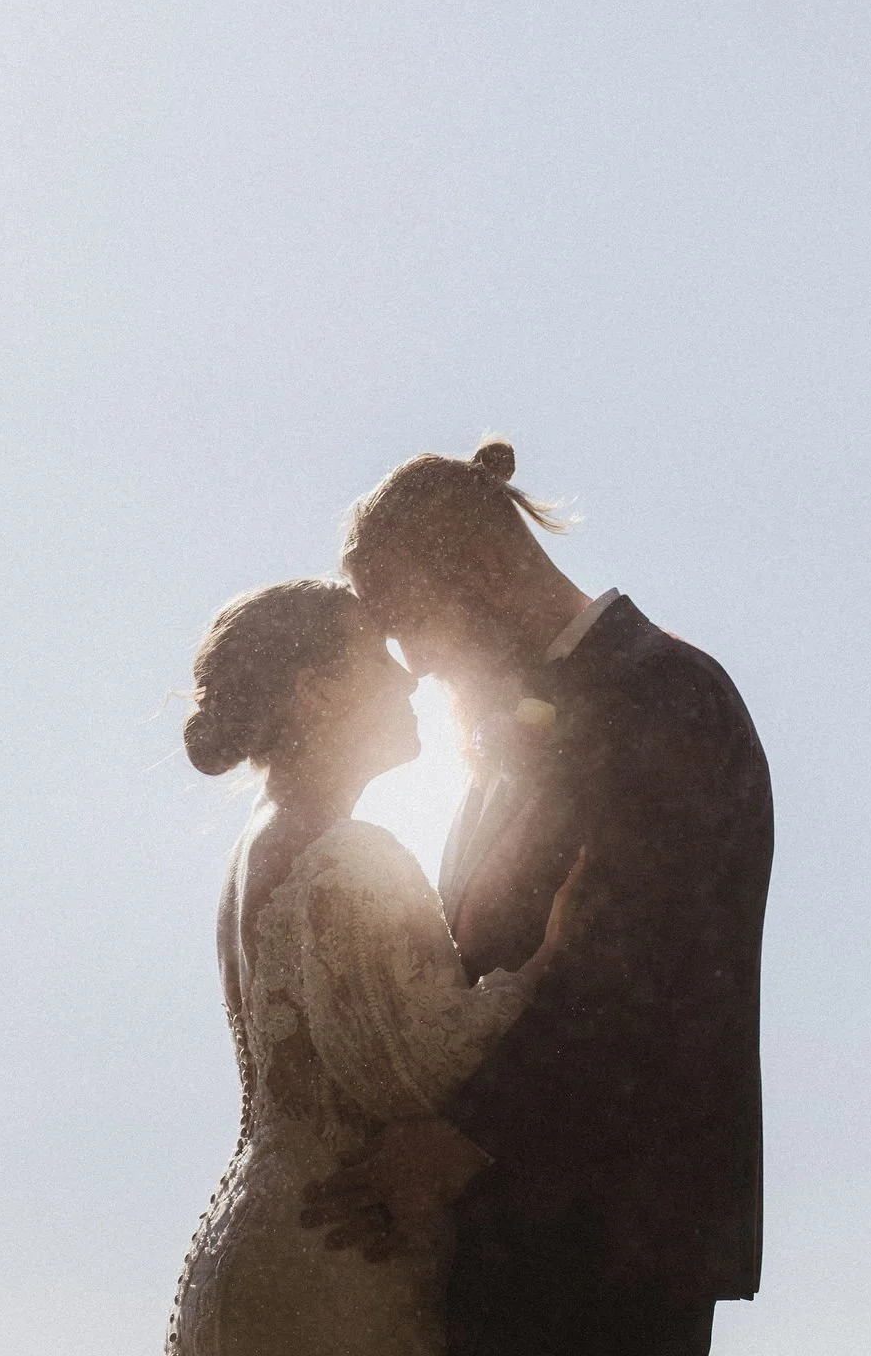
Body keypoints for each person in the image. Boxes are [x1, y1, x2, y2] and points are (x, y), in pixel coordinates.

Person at [320, 439, 773, 1356]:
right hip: (508, 1227)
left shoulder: (665, 694)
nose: (428, 670)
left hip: (609, 1234)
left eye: (423, 631)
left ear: (483, 565)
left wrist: (456, 1142)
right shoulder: (514, 736)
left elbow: (633, 960)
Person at [165, 578, 579, 1356]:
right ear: (316, 693)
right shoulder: (348, 855)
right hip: (337, 1254)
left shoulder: (259, 849)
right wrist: (549, 963)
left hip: (250, 1239)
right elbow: (423, 1072)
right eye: (377, 658)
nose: (408, 676)